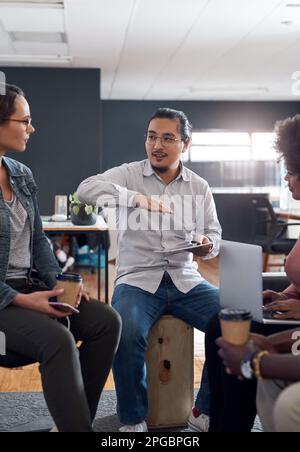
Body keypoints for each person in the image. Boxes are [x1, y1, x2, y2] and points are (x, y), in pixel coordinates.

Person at [77, 108, 221, 432]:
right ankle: (133, 417)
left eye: (167, 137)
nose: (157, 144)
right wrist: (136, 199)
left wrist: (207, 244)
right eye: (151, 136)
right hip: (138, 279)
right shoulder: (129, 174)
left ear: (185, 143)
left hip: (186, 278)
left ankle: (203, 410)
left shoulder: (199, 187)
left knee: (230, 319)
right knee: (125, 331)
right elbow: (86, 189)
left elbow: (215, 234)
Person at [0, 83, 121, 432]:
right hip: (6, 300)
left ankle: (71, 423)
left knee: (106, 321)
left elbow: (38, 239)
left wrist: (57, 282)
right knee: (58, 340)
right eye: (25, 120)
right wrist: (23, 300)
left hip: (31, 286)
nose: (31, 128)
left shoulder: (21, 174)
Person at [206, 113, 300, 432]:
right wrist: (283, 295)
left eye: (289, 172)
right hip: (291, 314)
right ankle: (218, 422)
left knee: (229, 330)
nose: (286, 180)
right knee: (218, 322)